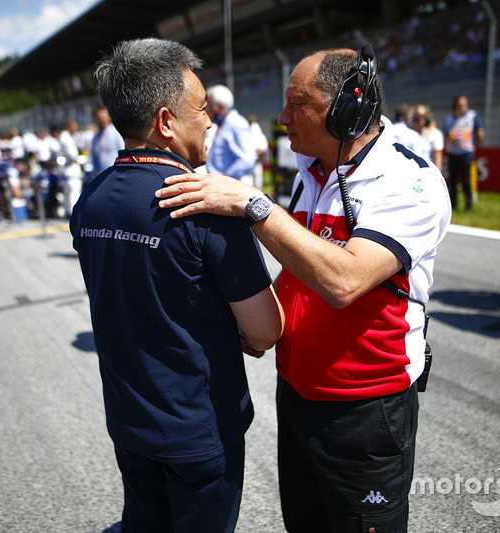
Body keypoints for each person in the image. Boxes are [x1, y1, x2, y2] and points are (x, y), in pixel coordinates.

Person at [156, 46, 452, 532]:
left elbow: (343, 280)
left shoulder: (409, 181)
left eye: (297, 104)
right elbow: (299, 269)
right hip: (297, 391)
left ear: (348, 107)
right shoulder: (313, 170)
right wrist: (255, 322)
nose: (282, 117)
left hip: (363, 405)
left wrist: (255, 206)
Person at [70, 38, 284, 533]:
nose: (209, 120)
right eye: (201, 108)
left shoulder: (92, 197)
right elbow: (266, 328)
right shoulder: (207, 208)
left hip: (128, 420)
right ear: (166, 122)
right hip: (197, 429)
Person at [204, 84, 258, 184]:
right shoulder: (224, 124)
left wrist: (226, 178)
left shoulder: (236, 123)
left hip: (227, 185)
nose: (207, 110)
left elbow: (248, 159)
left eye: (209, 106)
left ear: (219, 107)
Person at [443, 94, 484, 211]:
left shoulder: (472, 116)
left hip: (466, 154)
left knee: (466, 181)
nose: (463, 107)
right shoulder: (449, 119)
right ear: (455, 106)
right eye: (460, 105)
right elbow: (446, 134)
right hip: (453, 153)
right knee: (453, 181)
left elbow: (480, 133)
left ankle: (468, 205)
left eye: (465, 105)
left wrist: (474, 146)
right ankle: (453, 205)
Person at [89, 105, 124, 181]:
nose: (101, 119)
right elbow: (94, 157)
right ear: (95, 119)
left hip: (114, 175)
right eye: (99, 117)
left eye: (103, 116)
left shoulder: (116, 133)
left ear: (108, 117)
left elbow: (122, 152)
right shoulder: (96, 137)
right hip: (100, 175)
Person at [412, 104, 444, 170]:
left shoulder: (435, 134)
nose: (414, 122)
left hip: (428, 172)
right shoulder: (411, 133)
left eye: (417, 119)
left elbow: (438, 160)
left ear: (426, 120)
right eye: (414, 119)